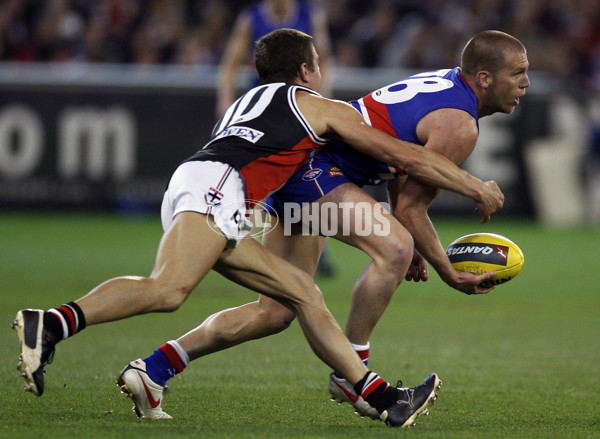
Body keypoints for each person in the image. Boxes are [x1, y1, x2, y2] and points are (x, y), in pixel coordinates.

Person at [12, 29, 504, 427]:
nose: (322, 72)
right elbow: (401, 154)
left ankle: (157, 369)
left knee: (292, 300)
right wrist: (473, 186)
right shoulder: (315, 104)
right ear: (306, 70)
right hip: (220, 189)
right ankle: (50, 323)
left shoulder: (250, 100)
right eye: (317, 64)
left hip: (214, 185)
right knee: (168, 288)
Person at [216, 0, 332, 119]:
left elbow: (323, 61)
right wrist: (225, 101)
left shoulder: (311, 17)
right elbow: (230, 64)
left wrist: (322, 96)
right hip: (261, 101)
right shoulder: (250, 19)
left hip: (300, 101)